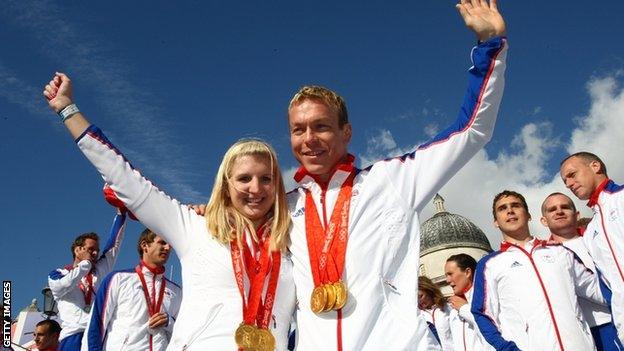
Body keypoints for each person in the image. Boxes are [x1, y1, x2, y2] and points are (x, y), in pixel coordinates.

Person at [284, 0, 507, 349]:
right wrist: (210, 210)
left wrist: (490, 47)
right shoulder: (282, 209)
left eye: (321, 127)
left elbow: (471, 131)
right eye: (298, 130)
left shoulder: (392, 180)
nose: (309, 139)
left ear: (347, 132)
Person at [42, 76, 296, 350]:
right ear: (226, 185)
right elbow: (127, 180)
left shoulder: (294, 242)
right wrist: (67, 109)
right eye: (244, 178)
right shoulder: (194, 228)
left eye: (267, 179)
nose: (255, 188)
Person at [472, 190, 605, 350]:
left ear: (528, 215)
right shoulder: (489, 264)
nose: (510, 211)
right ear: (496, 222)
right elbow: (482, 314)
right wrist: (507, 348)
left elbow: (597, 290)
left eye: (516, 205)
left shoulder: (560, 252)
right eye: (502, 208)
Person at [540, 192, 622, 351]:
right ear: (544, 220)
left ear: (576, 214)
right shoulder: (541, 256)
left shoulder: (598, 239)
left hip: (610, 322)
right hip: (574, 335)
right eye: (552, 209)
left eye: (565, 207)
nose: (559, 211)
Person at [560, 151, 624, 344]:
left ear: (595, 166)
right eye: (565, 182)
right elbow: (605, 284)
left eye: (572, 175)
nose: (569, 184)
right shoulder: (591, 231)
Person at [84, 228, 182, 351]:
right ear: (145, 245)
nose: (168, 247)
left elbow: (184, 331)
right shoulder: (118, 279)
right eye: (162, 242)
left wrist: (170, 321)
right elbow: (96, 325)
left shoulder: (176, 291)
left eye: (169, 244)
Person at [47, 213, 126, 350]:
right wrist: (85, 264)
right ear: (77, 250)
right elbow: (64, 285)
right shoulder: (58, 274)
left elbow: (114, 246)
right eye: (91, 249)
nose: (95, 253)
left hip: (96, 335)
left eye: (97, 250)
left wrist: (121, 215)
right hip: (72, 337)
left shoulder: (98, 271)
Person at [444, 254, 493, 351]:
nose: (447, 280)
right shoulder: (453, 309)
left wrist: (464, 309)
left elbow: (493, 329)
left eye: (450, 274)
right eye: (446, 276)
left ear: (467, 272)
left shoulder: (487, 298)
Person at [418, 276, 454, 351]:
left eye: (421, 296)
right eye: (416, 299)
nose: (419, 301)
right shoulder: (418, 316)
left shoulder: (448, 307)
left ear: (429, 291)